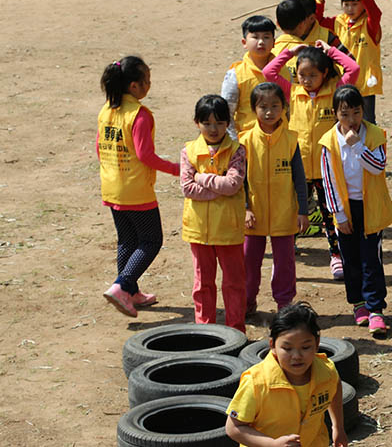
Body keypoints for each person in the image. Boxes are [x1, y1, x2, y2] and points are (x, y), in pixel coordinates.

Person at [263, 40, 359, 280]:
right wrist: (289, 53)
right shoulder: (292, 92)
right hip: (298, 168)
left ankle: (336, 256)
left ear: (324, 73)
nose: (305, 80)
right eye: (301, 75)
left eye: (312, 75)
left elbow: (354, 69)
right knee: (293, 213)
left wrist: (330, 51)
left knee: (330, 214)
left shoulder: (336, 92)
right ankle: (284, 256)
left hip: (328, 169)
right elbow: (268, 72)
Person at [98, 56, 179, 317]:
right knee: (151, 240)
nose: (149, 85)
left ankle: (130, 292)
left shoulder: (106, 110)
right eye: (147, 81)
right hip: (136, 191)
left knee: (127, 240)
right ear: (134, 86)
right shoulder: (140, 115)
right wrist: (179, 169)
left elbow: (99, 148)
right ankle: (122, 285)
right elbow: (146, 156)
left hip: (112, 187)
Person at [319, 85, 392, 336]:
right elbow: (328, 180)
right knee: (350, 258)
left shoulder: (374, 135)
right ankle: (358, 304)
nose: (351, 120)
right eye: (345, 114)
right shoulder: (329, 142)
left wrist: (357, 146)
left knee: (371, 258)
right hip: (345, 209)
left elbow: (378, 166)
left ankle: (375, 309)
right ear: (335, 114)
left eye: (356, 113)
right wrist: (338, 215)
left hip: (370, 206)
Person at [225, 302, 347, 447]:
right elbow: (233, 428)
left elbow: (335, 385)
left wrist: (338, 427)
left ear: (317, 343)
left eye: (306, 347)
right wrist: (272, 444)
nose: (296, 356)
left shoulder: (326, 371)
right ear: (272, 345)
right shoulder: (257, 383)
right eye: (287, 348)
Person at [240, 83, 310, 315]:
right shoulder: (245, 141)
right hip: (254, 216)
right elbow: (241, 180)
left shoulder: (291, 140)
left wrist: (302, 210)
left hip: (284, 213)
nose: (269, 112)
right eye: (263, 107)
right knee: (249, 263)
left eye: (275, 106)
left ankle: (284, 304)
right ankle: (247, 301)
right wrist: (245, 208)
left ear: (284, 108)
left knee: (285, 264)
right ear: (253, 109)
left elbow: (300, 179)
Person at [181, 95, 247, 332]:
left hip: (228, 229)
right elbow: (187, 188)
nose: (213, 129)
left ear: (228, 123)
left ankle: (236, 329)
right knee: (202, 284)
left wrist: (201, 177)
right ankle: (204, 329)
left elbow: (233, 186)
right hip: (199, 231)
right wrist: (218, 187)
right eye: (207, 123)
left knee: (234, 284)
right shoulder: (189, 151)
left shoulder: (238, 151)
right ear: (196, 122)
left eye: (219, 123)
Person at [315, 0, 383, 124]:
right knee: (342, 118)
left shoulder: (370, 24)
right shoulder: (338, 22)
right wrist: (319, 2)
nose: (350, 8)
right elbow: (319, 22)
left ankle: (369, 145)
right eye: (346, 4)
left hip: (365, 83)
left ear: (363, 5)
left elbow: (376, 14)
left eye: (355, 4)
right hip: (344, 80)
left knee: (367, 120)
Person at [272, 0, 351, 84]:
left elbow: (267, 73)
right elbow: (351, 63)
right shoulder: (323, 44)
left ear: (277, 24)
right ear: (303, 23)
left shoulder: (274, 46)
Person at [221, 16, 276, 136]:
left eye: (266, 37)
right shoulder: (236, 74)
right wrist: (234, 143)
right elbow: (226, 112)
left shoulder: (283, 72)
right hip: (247, 141)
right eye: (255, 37)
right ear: (244, 43)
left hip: (279, 139)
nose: (261, 42)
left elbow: (290, 109)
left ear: (274, 42)